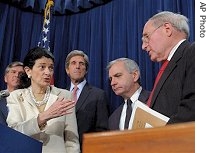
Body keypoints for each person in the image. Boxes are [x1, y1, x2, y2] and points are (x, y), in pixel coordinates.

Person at [6, 47, 80, 153]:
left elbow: (72, 141)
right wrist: (42, 118)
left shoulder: (65, 96)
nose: (48, 72)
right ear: (28, 71)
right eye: (42, 67)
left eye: (50, 68)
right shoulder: (15, 97)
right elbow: (13, 133)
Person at [141, 11, 195, 123]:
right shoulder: (168, 65)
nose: (144, 46)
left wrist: (160, 134)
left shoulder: (194, 52)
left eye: (147, 36)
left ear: (167, 29)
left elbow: (194, 105)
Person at [65, 50, 109, 150]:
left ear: (86, 70)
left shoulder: (98, 95)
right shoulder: (61, 95)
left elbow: (102, 130)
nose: (77, 66)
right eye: (73, 63)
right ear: (67, 69)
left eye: (81, 64)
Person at [107, 58, 150, 130]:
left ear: (135, 75)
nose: (112, 83)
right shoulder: (113, 118)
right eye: (111, 79)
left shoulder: (155, 100)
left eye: (118, 76)